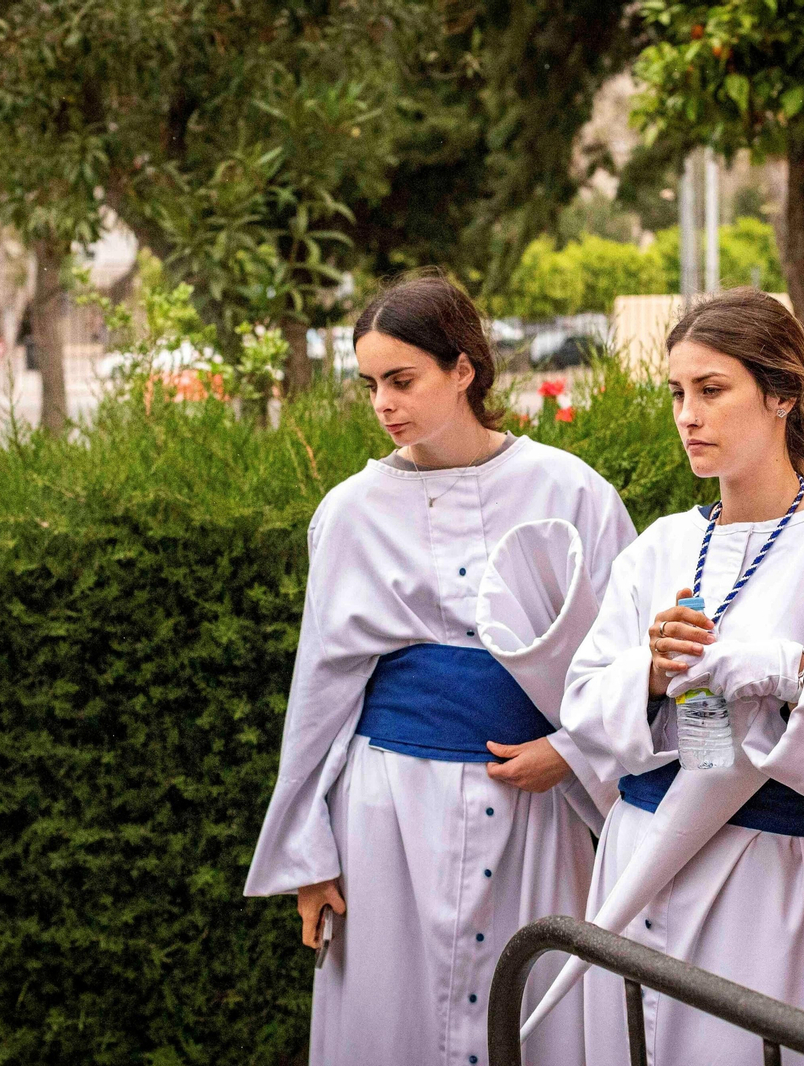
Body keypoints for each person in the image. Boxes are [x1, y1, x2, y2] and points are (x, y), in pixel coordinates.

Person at [243, 274, 636, 1066]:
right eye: (369, 385)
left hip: (534, 806)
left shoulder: (571, 490)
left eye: (401, 379)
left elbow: (625, 659)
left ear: (463, 369)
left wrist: (572, 751)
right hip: (388, 811)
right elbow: (320, 693)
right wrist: (309, 859)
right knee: (391, 1017)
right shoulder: (349, 512)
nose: (383, 404)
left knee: (535, 1012)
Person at [559, 288, 804, 1064]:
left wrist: (798, 677)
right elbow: (581, 709)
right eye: (677, 393)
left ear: (782, 394)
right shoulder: (661, 547)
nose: (687, 416)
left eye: (711, 389)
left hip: (764, 885)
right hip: (633, 861)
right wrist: (650, 675)